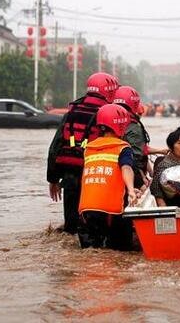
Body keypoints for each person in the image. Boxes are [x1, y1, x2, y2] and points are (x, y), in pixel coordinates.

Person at [46, 72, 119, 234]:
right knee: (93, 225)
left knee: (71, 228)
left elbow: (55, 146)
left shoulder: (70, 112)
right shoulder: (107, 114)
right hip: (95, 176)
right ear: (108, 91)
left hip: (69, 174)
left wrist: (53, 178)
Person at [77, 103, 138, 250]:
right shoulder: (122, 147)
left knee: (90, 255)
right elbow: (126, 168)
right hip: (112, 211)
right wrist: (131, 190)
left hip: (86, 211)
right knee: (119, 255)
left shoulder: (88, 148)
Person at [113, 86, 151, 190]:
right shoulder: (133, 127)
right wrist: (141, 180)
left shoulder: (109, 119)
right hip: (128, 175)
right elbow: (135, 158)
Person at [151, 129, 180, 210]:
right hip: (173, 208)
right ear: (171, 147)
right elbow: (156, 189)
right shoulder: (164, 165)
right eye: (179, 143)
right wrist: (164, 210)